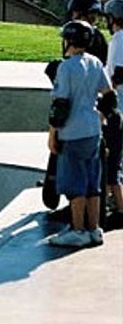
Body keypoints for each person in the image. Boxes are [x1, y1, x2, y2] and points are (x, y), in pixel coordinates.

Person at [47, 20, 116, 248]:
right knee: (92, 182)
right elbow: (110, 96)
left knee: (74, 182)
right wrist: (100, 117)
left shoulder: (66, 67)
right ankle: (94, 229)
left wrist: (52, 134)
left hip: (72, 132)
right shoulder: (95, 62)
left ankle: (77, 230)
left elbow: (60, 106)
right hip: (93, 131)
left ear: (70, 41)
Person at [102, 0, 123, 218]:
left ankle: (118, 207)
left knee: (112, 160)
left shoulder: (119, 39)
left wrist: (105, 95)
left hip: (118, 108)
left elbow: (118, 73)